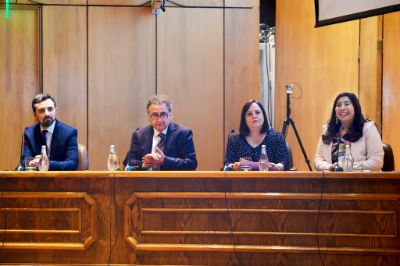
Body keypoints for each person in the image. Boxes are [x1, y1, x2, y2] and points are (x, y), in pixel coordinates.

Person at [123, 95, 197, 170]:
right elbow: (128, 161)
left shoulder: (183, 134)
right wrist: (143, 164)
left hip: (172, 181)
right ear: (149, 116)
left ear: (171, 115)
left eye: (163, 115)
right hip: (145, 180)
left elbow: (191, 164)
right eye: (154, 115)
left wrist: (164, 161)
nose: (159, 120)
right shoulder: (139, 134)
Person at [314, 92, 384, 171]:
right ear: (335, 111)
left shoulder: (368, 128)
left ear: (355, 108)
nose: (342, 108)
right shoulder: (328, 130)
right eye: (338, 105)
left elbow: (377, 161)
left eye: (347, 104)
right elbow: (318, 159)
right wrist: (331, 167)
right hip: (332, 181)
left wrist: (350, 167)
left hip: (361, 180)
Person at [224, 100, 289, 171]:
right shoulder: (234, 139)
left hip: (271, 180)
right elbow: (227, 165)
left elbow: (284, 162)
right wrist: (232, 167)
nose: (254, 116)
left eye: (257, 112)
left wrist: (277, 167)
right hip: (241, 180)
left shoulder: (276, 136)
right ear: (244, 119)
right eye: (249, 114)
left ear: (263, 115)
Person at [20, 93, 78, 170]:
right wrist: (33, 162)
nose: (47, 113)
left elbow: (72, 163)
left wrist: (47, 164)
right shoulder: (29, 133)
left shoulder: (69, 133)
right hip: (36, 180)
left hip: (60, 179)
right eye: (41, 110)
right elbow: (24, 161)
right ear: (34, 114)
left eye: (50, 109)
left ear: (55, 110)